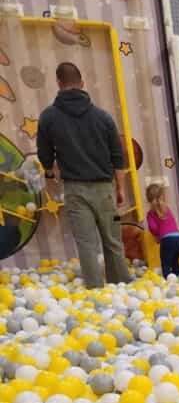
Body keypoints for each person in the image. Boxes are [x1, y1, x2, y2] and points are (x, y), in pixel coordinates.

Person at [36, 62, 131, 290]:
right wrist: (120, 188)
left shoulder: (48, 117)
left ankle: (95, 290)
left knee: (86, 243)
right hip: (105, 188)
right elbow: (118, 157)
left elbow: (45, 154)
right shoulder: (103, 117)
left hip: (74, 189)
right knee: (113, 240)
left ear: (58, 84)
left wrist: (50, 174)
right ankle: (123, 287)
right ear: (82, 84)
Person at [146, 182, 179, 278]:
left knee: (166, 263)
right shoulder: (167, 209)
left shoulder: (151, 213)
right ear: (163, 196)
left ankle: (167, 280)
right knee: (175, 262)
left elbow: (153, 227)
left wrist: (157, 236)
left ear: (148, 199)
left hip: (167, 241)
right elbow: (172, 223)